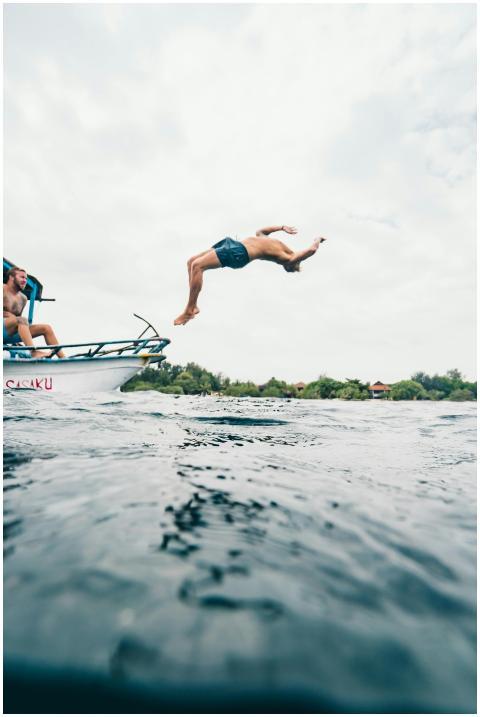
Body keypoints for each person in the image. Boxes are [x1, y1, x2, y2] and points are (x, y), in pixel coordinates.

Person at [174, 225, 326, 325]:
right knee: (191, 262)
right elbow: (261, 231)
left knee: (198, 266)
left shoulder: (289, 259)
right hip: (233, 244)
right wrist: (281, 227)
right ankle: (192, 306)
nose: (284, 266)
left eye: (286, 267)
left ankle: (190, 309)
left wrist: (317, 239)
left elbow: (312, 250)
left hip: (239, 254)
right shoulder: (271, 241)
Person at [3, 266, 66, 358]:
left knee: (46, 328)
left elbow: (17, 321)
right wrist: (8, 315)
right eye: (21, 277)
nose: (25, 280)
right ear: (11, 277)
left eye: (26, 278)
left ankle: (63, 358)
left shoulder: (23, 298)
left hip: (8, 332)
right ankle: (33, 352)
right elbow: (17, 319)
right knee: (22, 320)